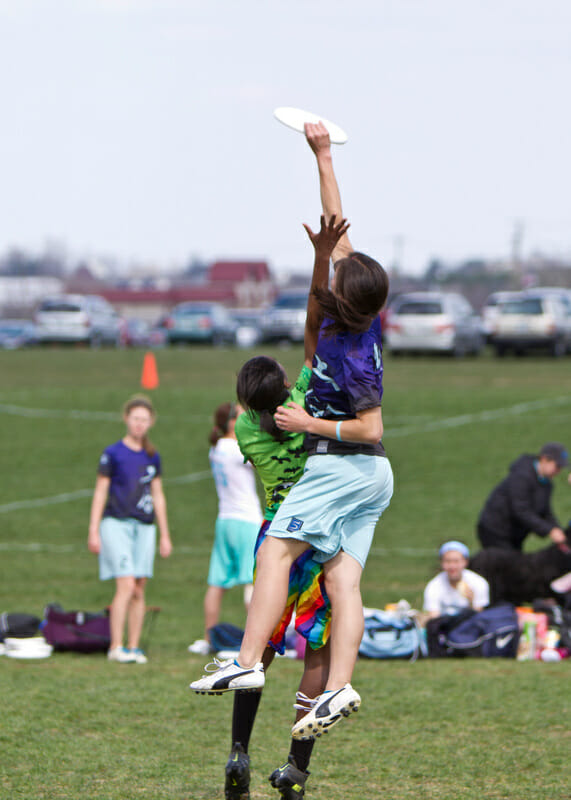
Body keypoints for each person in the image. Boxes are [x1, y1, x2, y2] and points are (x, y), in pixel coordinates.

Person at [191, 121, 394, 744]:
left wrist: (310, 422)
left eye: (339, 269)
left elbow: (371, 425)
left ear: (348, 297)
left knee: (276, 546)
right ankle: (338, 687)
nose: (337, 266)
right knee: (343, 580)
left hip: (344, 461)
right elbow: (338, 243)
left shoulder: (354, 356)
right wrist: (324, 155)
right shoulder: (350, 319)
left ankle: (248, 662)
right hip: (375, 481)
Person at [215, 215, 349, 800]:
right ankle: (296, 765)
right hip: (318, 536)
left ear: (247, 403)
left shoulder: (246, 433)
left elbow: (254, 409)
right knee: (315, 649)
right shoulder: (303, 404)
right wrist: (321, 259)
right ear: (286, 391)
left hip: (275, 539)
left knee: (257, 649)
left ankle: (240, 750)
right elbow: (315, 327)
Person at [88, 395, 172, 663]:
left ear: (151, 423)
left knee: (139, 587)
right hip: (116, 523)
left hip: (145, 527)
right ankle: (116, 646)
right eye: (135, 418)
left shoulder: (152, 456)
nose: (139, 424)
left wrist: (165, 534)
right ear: (126, 419)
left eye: (144, 420)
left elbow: (158, 495)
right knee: (124, 585)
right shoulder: (112, 453)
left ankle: (134, 647)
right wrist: (93, 529)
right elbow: (101, 492)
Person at [188, 401, 263, 656]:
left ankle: (210, 637)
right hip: (247, 521)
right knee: (252, 583)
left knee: (217, 582)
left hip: (225, 521)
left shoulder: (217, 448)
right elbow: (263, 462)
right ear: (232, 422)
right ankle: (255, 642)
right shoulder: (237, 449)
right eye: (243, 417)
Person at [477, 442, 569, 552]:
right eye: (557, 466)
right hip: (496, 531)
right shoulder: (521, 477)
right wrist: (549, 530)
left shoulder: (547, 483)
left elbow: (544, 510)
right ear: (544, 459)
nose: (558, 471)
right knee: (506, 566)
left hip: (515, 534)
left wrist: (556, 528)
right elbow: (521, 510)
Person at [423, 541, 490, 619]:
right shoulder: (434, 586)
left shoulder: (479, 583)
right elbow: (434, 618)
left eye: (456, 561)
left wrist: (471, 602)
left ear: (465, 562)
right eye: (447, 561)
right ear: (441, 563)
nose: (452, 566)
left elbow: (479, 618)